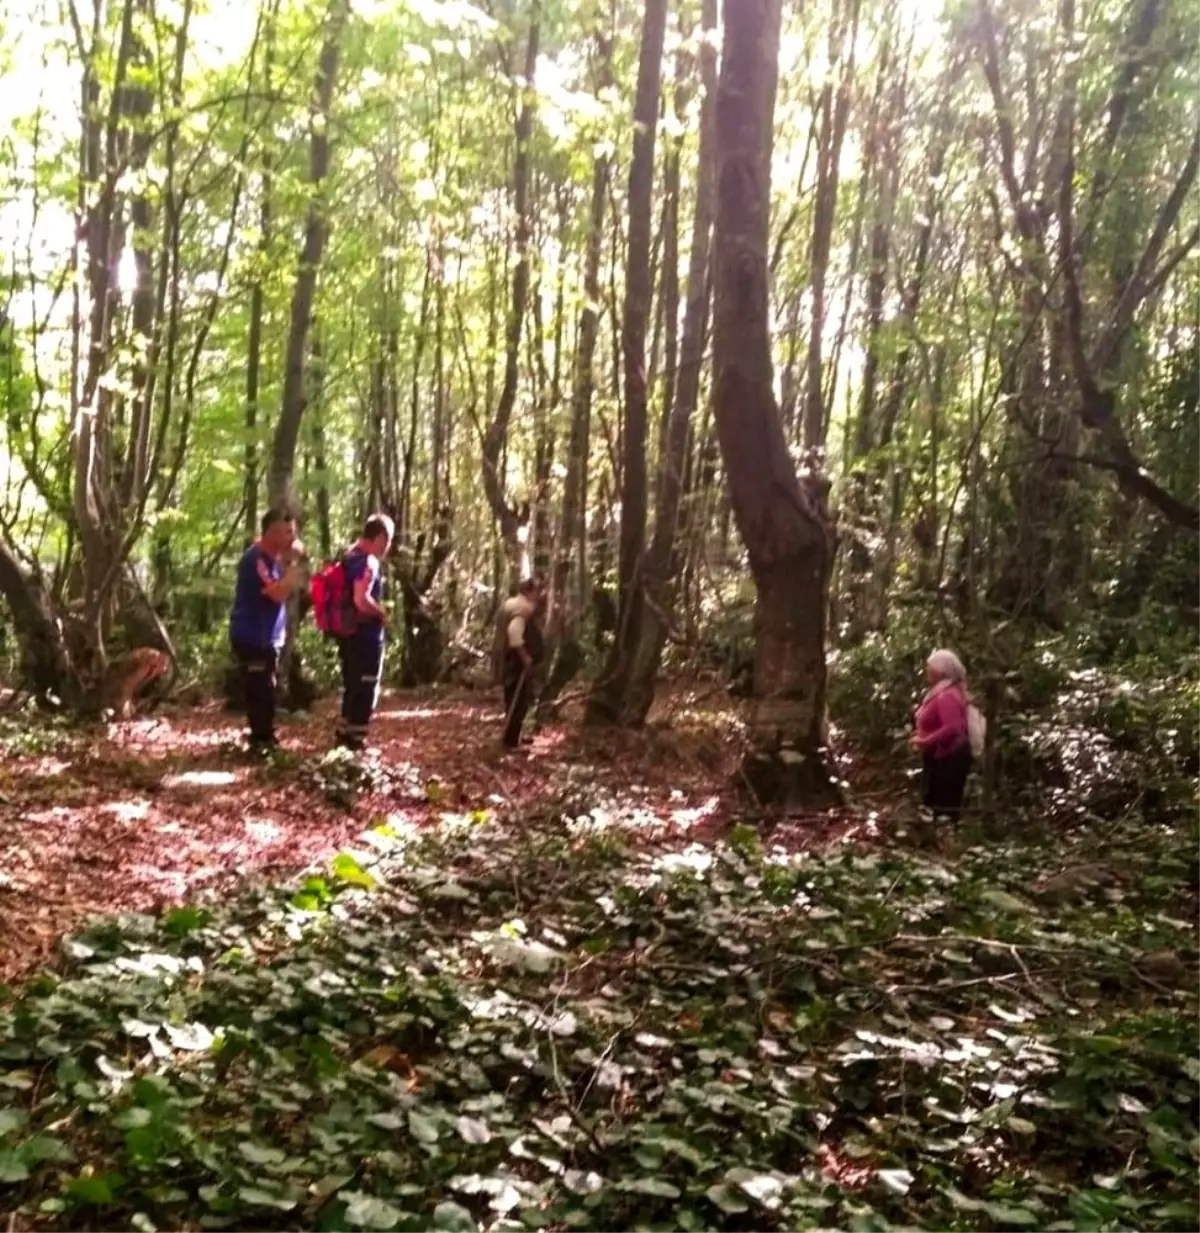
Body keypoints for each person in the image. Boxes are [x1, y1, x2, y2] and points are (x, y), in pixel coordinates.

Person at [229, 508, 305, 752]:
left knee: (268, 688)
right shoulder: (256, 559)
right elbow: (277, 593)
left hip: (269, 638)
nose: (293, 539)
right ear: (272, 532)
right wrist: (293, 562)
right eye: (288, 533)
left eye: (293, 533)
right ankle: (260, 743)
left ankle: (265, 738)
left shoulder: (274, 561)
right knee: (259, 691)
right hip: (252, 637)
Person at [335, 513, 395, 751]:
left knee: (352, 686)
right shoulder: (368, 561)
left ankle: (343, 735)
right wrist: (381, 612)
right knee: (365, 685)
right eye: (388, 540)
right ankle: (355, 742)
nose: (388, 547)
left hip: (347, 634)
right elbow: (361, 600)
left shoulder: (348, 556)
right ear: (380, 537)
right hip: (365, 637)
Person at [912, 648, 974, 820]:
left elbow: (953, 727)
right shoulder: (941, 691)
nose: (927, 671)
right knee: (933, 800)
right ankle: (939, 839)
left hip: (949, 758)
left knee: (944, 803)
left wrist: (926, 741)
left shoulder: (947, 695)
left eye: (930, 668)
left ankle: (946, 840)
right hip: (939, 756)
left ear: (941, 672)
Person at [498, 578, 545, 750]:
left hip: (508, 660)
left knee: (513, 700)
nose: (540, 595)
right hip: (514, 662)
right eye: (538, 591)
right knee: (518, 702)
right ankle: (510, 742)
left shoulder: (511, 603)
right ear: (530, 591)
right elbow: (514, 633)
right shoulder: (522, 608)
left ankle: (513, 736)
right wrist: (525, 656)